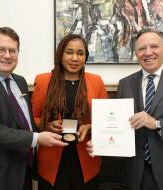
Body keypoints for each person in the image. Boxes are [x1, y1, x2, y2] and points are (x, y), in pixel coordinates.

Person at [87, 28, 163, 190]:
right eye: (142, 49)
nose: (148, 52)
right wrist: (101, 142)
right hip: (136, 171)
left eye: (154, 47)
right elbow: (121, 125)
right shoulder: (126, 83)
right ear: (136, 53)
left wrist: (156, 123)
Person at [0, 26, 67, 190]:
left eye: (12, 50)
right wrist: (37, 138)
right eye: (1, 49)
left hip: (22, 171)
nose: (7, 55)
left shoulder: (20, 81)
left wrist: (44, 127)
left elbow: (22, 122)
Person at [31, 33, 107, 190]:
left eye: (80, 53)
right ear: (60, 54)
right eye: (69, 52)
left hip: (86, 159)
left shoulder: (96, 81)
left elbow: (105, 120)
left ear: (86, 56)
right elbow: (34, 117)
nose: (75, 58)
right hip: (52, 159)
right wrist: (46, 125)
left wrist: (90, 127)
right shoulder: (44, 81)